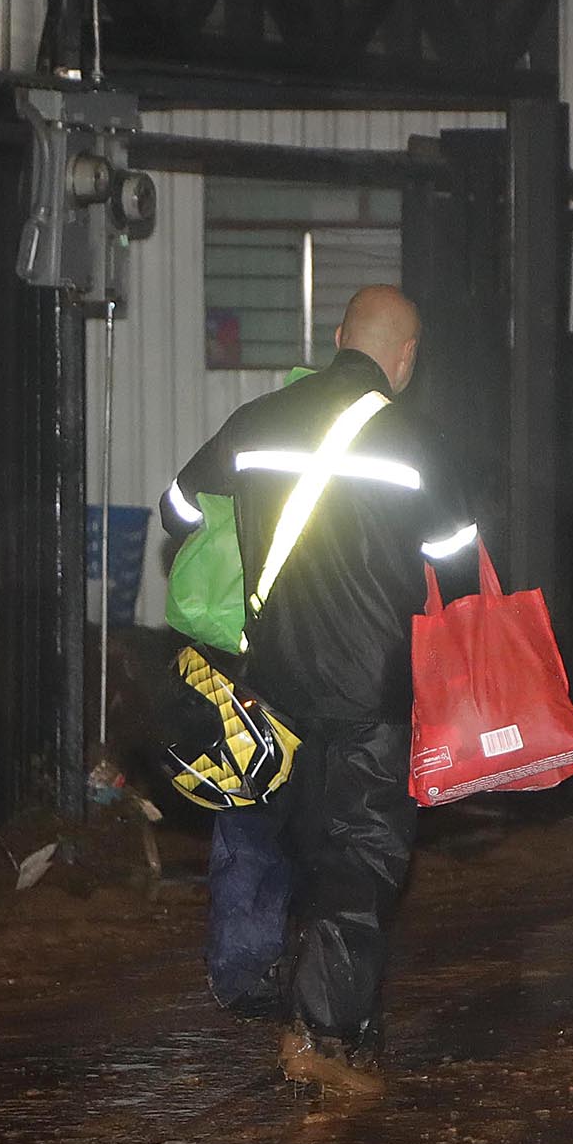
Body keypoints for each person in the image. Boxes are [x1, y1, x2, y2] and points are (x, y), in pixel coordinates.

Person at [159, 286, 481, 1092]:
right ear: (404, 359)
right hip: (372, 687)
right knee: (362, 857)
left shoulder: (257, 421)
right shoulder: (418, 441)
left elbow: (175, 510)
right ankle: (324, 1037)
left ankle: (310, 1004)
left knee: (296, 846)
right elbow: (460, 568)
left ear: (336, 337)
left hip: (271, 679)